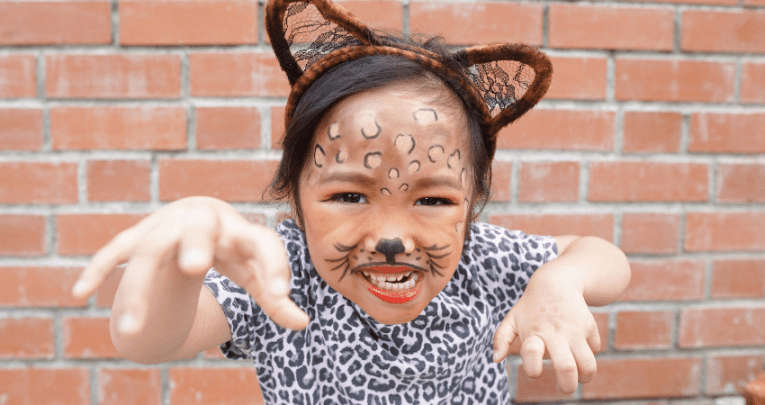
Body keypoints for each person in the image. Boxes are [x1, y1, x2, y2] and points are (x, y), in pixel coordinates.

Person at [71, 0, 631, 403]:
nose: (392, 238)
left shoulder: (482, 258)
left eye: (432, 200)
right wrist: (177, 255)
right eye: (347, 195)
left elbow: (605, 258)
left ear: (472, 202)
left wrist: (559, 281)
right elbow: (146, 340)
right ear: (294, 197)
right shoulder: (279, 274)